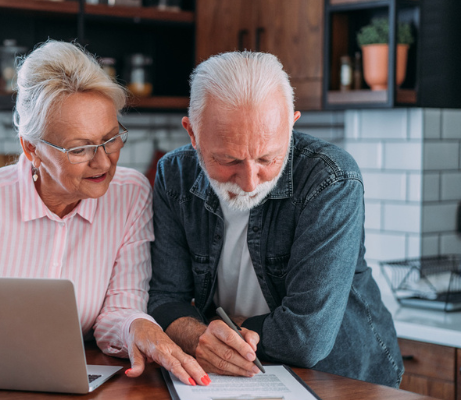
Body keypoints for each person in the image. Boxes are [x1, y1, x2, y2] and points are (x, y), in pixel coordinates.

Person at [0, 40, 210, 387]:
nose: (103, 161)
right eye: (79, 149)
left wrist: (139, 327)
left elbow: (118, 311)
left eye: (111, 139)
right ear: (31, 148)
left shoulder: (130, 194)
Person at [148, 51, 404, 387]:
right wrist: (200, 338)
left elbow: (306, 339)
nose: (250, 182)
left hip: (344, 379)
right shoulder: (173, 174)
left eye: (268, 158)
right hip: (236, 376)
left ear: (291, 124)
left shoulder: (331, 178)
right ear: (192, 134)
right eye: (228, 160)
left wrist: (220, 326)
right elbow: (166, 299)